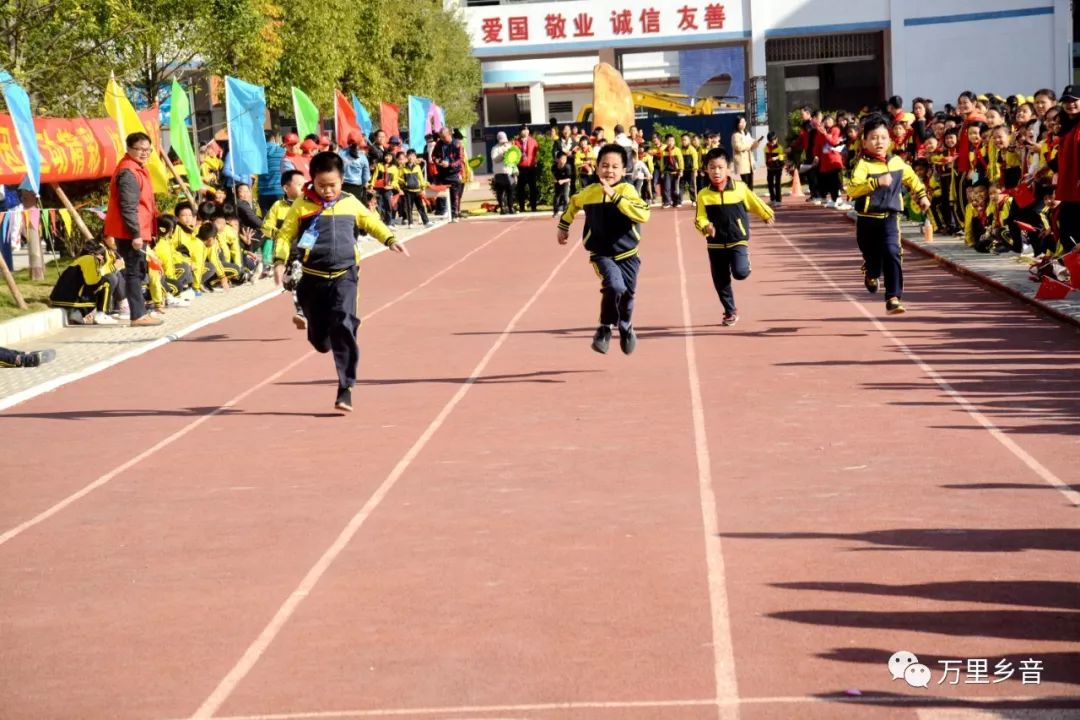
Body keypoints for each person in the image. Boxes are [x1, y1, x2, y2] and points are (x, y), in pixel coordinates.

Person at [274, 151, 408, 412]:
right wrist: (279, 262)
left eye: (332, 185)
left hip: (344, 275)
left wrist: (390, 239)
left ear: (342, 180)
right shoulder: (301, 206)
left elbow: (371, 221)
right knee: (321, 342)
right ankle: (316, 331)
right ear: (312, 180)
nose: (327, 191)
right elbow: (284, 234)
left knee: (344, 324)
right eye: (322, 185)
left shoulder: (350, 202)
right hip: (311, 279)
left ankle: (345, 388)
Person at [556, 143, 651, 355]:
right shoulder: (589, 192)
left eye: (615, 166)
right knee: (615, 287)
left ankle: (625, 327)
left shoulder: (628, 190)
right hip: (602, 253)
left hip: (629, 254)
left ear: (624, 170)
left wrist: (615, 197)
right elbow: (573, 204)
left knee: (627, 296)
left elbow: (644, 214)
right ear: (597, 168)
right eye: (605, 165)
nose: (609, 170)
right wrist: (563, 226)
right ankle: (605, 328)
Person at [846, 113, 931, 315]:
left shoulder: (897, 163)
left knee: (893, 253)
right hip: (867, 221)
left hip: (890, 219)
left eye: (883, 137)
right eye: (874, 138)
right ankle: (871, 273)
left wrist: (922, 196)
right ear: (865, 142)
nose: (879, 142)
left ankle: (893, 297)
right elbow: (852, 190)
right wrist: (875, 182)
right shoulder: (863, 165)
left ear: (890, 140)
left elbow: (912, 180)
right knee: (874, 261)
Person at [694, 148, 775, 327]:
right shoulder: (703, 195)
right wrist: (706, 226)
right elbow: (699, 217)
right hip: (715, 244)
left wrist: (765, 213)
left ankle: (745, 261)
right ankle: (730, 311)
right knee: (720, 281)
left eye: (720, 167)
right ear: (706, 169)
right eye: (712, 167)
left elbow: (754, 202)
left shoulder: (740, 188)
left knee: (740, 272)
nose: (716, 171)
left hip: (737, 239)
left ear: (728, 168)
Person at [103, 132, 162, 326]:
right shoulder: (128, 171)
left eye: (148, 149)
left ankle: (140, 311)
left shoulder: (137, 169)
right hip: (130, 231)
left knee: (137, 271)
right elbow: (128, 206)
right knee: (133, 272)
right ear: (129, 149)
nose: (145, 153)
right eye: (140, 149)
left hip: (138, 228)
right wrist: (135, 234)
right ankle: (137, 315)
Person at [433, 127, 465, 221]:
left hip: (454, 173)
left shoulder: (457, 144)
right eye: (441, 137)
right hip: (442, 173)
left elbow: (460, 159)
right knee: (441, 195)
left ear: (449, 134)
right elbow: (434, 156)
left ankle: (455, 214)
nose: (442, 139)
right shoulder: (439, 143)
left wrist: (450, 164)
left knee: (455, 195)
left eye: (444, 137)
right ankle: (443, 212)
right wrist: (438, 161)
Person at [491, 132, 518, 215]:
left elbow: (514, 160)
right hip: (499, 172)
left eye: (505, 140)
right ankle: (502, 208)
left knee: (510, 190)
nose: (504, 142)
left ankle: (510, 207)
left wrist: (515, 173)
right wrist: (503, 154)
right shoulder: (495, 148)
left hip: (509, 172)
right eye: (502, 140)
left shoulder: (510, 147)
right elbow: (495, 159)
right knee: (500, 191)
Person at [514, 126, 539, 212]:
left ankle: (534, 207)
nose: (525, 131)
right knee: (520, 188)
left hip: (531, 167)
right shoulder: (516, 142)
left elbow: (536, 153)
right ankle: (522, 207)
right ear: (520, 132)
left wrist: (535, 161)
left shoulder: (533, 141)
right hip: (521, 168)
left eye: (526, 130)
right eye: (523, 130)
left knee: (533, 188)